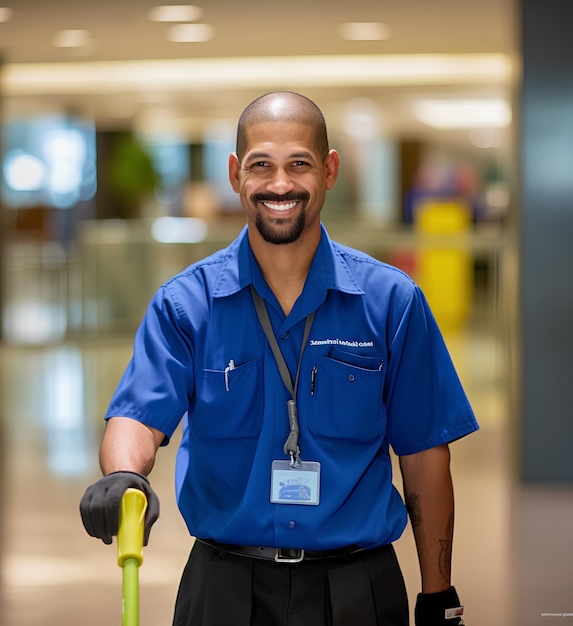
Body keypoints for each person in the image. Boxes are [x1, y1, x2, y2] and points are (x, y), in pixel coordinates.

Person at [80, 91, 478, 626]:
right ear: (234, 173)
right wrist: (124, 476)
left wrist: (438, 594)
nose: (280, 184)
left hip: (358, 589)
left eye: (300, 164)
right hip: (222, 589)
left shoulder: (391, 302)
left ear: (330, 170)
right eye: (260, 165)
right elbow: (138, 416)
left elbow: (425, 455)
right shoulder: (186, 304)